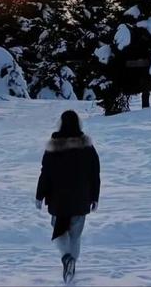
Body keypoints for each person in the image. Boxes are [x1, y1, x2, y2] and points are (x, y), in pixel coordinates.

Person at [35, 109, 101, 283]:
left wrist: (39, 195)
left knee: (59, 230)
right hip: (81, 198)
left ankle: (66, 259)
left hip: (58, 199)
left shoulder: (54, 145)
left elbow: (45, 173)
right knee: (75, 234)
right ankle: (72, 263)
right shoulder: (87, 146)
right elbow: (95, 172)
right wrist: (95, 196)